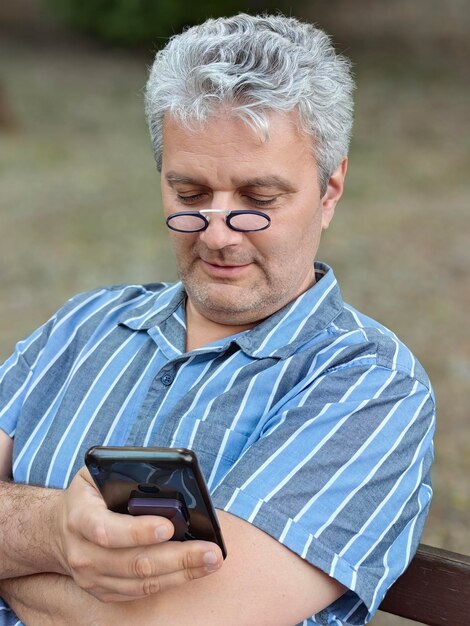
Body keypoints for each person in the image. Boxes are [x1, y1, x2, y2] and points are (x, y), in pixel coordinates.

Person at [0, 13, 435, 626]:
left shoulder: (368, 385)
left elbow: (181, 621)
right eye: (190, 193)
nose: (219, 234)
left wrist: (15, 576)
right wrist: (51, 532)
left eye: (259, 200)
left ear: (330, 189)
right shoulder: (85, 323)